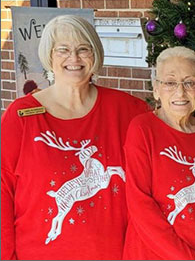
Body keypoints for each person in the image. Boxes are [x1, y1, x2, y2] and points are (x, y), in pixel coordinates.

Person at [1, 15, 149, 260]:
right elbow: (3, 191)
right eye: (63, 50)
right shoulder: (21, 117)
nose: (74, 58)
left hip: (116, 254)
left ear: (95, 54)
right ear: (49, 56)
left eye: (83, 49)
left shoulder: (130, 111)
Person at [123, 46, 195, 260]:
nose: (180, 92)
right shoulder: (142, 129)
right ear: (156, 89)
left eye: (189, 82)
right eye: (170, 82)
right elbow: (140, 205)